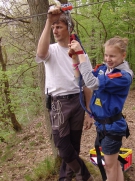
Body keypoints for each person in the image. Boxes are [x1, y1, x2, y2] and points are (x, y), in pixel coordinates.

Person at [35, 6, 94, 181]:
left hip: (78, 102)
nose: (55, 30)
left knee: (74, 147)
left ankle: (65, 179)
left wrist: (89, 112)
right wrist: (49, 20)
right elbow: (40, 53)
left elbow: (87, 84)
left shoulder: (80, 52)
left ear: (69, 28)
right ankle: (84, 175)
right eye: (54, 27)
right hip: (58, 103)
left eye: (59, 26)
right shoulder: (50, 50)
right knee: (63, 147)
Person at [69, 36, 133, 181]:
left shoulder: (122, 76)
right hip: (104, 126)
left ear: (123, 55)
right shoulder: (105, 69)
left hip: (112, 127)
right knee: (114, 164)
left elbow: (91, 83)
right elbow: (82, 80)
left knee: (109, 166)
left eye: (112, 56)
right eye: (106, 55)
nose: (108, 59)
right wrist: (75, 59)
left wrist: (81, 54)